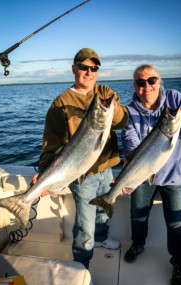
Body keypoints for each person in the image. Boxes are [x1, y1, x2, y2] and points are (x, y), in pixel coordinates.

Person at [33, 48, 129, 271]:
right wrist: (45, 171)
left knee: (103, 210)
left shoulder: (103, 91)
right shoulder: (60, 103)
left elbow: (123, 120)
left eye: (94, 68)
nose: (89, 72)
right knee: (85, 225)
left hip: (106, 169)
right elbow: (51, 142)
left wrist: (112, 110)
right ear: (74, 69)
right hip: (80, 174)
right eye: (84, 67)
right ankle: (81, 270)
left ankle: (102, 237)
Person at [121, 64, 181, 285]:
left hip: (176, 176)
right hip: (143, 176)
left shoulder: (175, 98)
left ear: (159, 81)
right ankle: (138, 244)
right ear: (135, 86)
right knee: (137, 216)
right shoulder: (130, 112)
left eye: (151, 80)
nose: (146, 86)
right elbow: (130, 143)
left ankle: (178, 263)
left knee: (177, 224)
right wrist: (128, 172)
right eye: (140, 82)